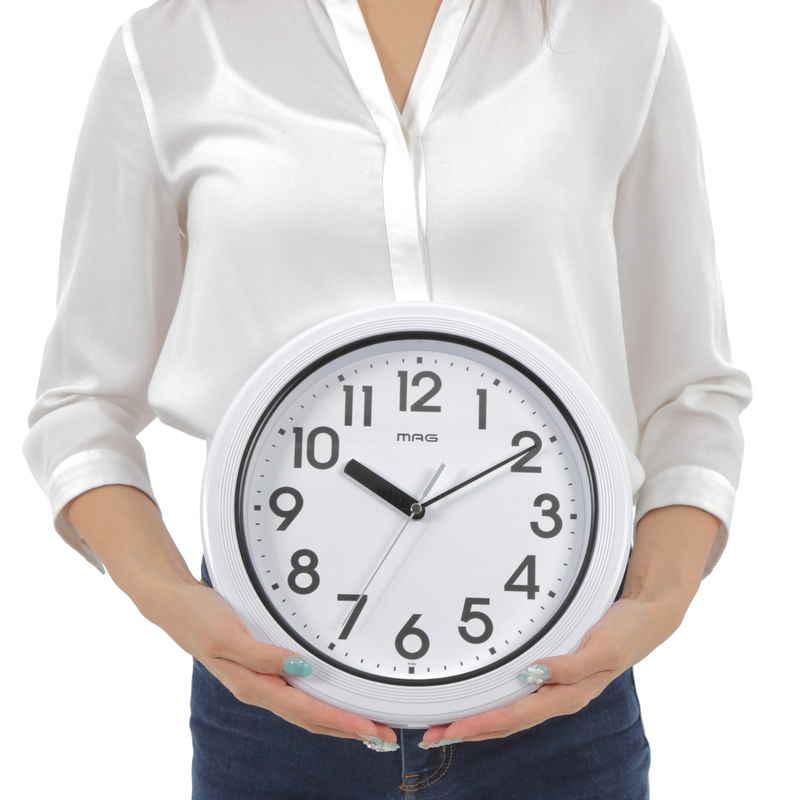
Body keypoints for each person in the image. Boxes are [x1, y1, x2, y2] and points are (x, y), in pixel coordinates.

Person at [22, 1, 752, 797]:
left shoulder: (613, 34)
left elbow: (690, 390)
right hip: (271, 702)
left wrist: (652, 604)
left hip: (562, 695)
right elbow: (81, 407)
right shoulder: (173, 47)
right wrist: (175, 604)